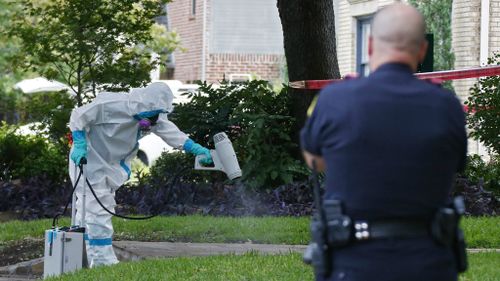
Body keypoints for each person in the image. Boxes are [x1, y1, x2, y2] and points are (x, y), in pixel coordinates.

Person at [300, 3, 467, 281]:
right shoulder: (446, 106)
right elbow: (454, 163)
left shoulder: (335, 100)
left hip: (351, 265)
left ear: (369, 45)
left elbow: (314, 160)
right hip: (429, 265)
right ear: (422, 50)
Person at [68, 82, 213, 267]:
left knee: (94, 211)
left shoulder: (152, 113)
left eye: (155, 117)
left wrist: (196, 149)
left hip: (111, 165)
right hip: (89, 160)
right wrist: (79, 143)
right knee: (96, 210)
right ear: (142, 105)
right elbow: (78, 116)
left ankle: (84, 261)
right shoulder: (112, 105)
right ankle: (103, 263)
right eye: (150, 116)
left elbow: (170, 132)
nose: (151, 122)